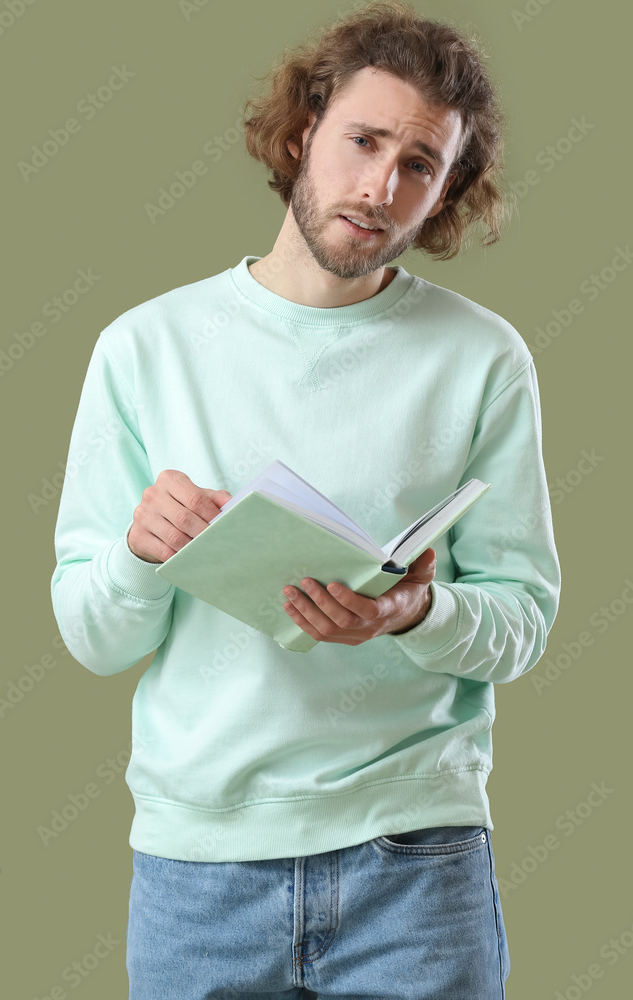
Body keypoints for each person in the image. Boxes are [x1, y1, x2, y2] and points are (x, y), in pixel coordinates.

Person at [50, 2, 561, 997]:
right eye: (363, 140)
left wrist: (419, 610)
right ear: (301, 135)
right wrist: (136, 557)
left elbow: (525, 619)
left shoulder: (485, 357)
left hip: (417, 865)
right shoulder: (142, 348)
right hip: (198, 873)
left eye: (420, 165)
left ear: (445, 191)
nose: (381, 186)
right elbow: (92, 636)